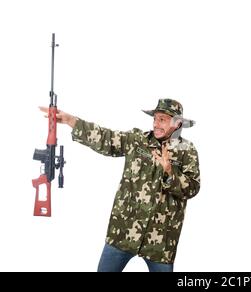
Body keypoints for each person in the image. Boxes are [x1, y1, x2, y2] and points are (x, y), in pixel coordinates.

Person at [39, 99, 200, 272]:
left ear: (177, 124)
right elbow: (105, 138)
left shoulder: (187, 151)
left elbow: (192, 188)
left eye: (162, 119)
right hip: (123, 230)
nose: (156, 123)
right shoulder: (137, 140)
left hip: (161, 242)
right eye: (155, 118)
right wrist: (72, 121)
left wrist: (169, 172)